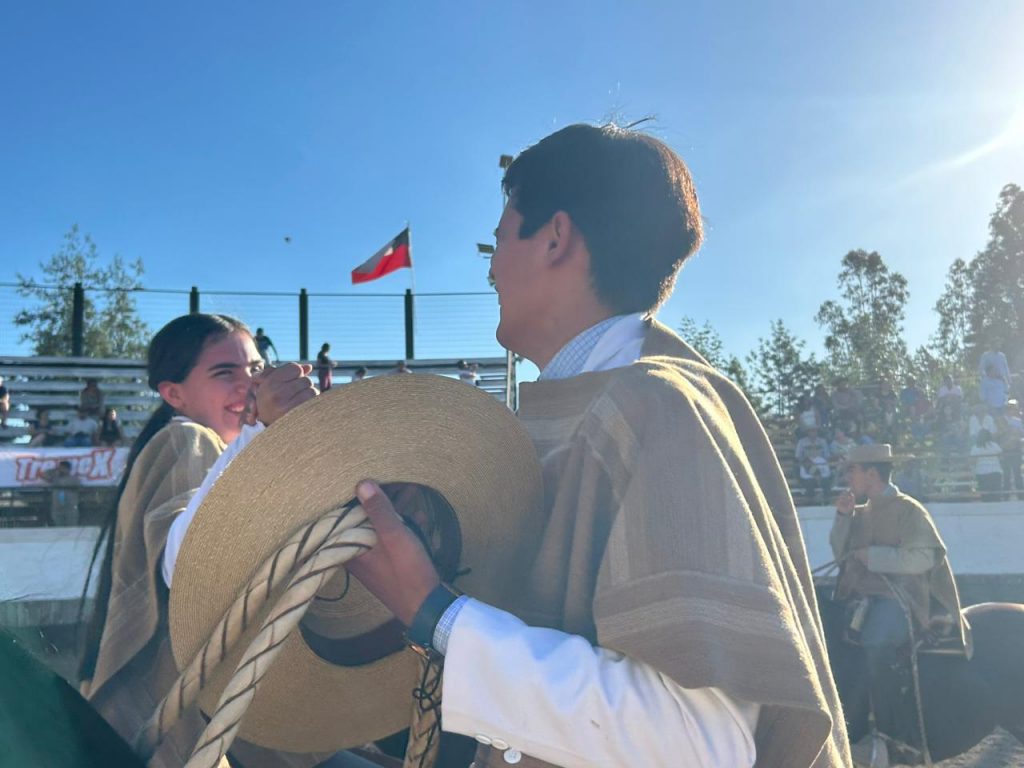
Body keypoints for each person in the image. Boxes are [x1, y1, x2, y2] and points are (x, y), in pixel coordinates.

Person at [346, 124, 849, 767]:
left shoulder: (654, 407)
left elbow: (703, 743)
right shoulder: (625, 402)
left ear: (554, 238)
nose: (493, 268)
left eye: (499, 241)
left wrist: (436, 613)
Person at [78, 314, 318, 768]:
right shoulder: (185, 439)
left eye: (255, 367)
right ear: (174, 394)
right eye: (225, 372)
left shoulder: (215, 456)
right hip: (181, 734)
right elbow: (188, 564)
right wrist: (260, 432)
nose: (249, 383)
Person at [831, 444, 969, 751]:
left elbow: (923, 558)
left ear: (871, 473)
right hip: (861, 599)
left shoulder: (910, 509)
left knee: (877, 640)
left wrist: (875, 557)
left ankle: (894, 736)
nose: (847, 477)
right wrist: (842, 517)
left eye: (851, 470)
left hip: (902, 602)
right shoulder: (859, 512)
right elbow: (840, 555)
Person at [995, 400, 1024, 500]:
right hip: (1005, 450)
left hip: (1016, 449)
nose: (1014, 411)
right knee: (1006, 474)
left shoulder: (1018, 421)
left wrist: (1017, 436)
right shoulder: (1000, 420)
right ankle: (1006, 496)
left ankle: (1021, 496)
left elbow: (1021, 434)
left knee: (1017, 474)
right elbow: (998, 434)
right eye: (1012, 409)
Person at [42, 459, 82, 526]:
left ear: (68, 469)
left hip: (70, 508)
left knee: (71, 526)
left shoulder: (74, 479)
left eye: (63, 468)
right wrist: (55, 470)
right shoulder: (54, 478)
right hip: (57, 508)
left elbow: (77, 488)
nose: (61, 470)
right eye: (60, 468)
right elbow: (44, 475)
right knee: (59, 527)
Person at [970, 429, 1003, 501]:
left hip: (983, 473)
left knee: (985, 495)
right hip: (994, 472)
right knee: (995, 494)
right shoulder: (994, 445)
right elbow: (1001, 457)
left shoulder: (975, 447)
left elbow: (973, 462)